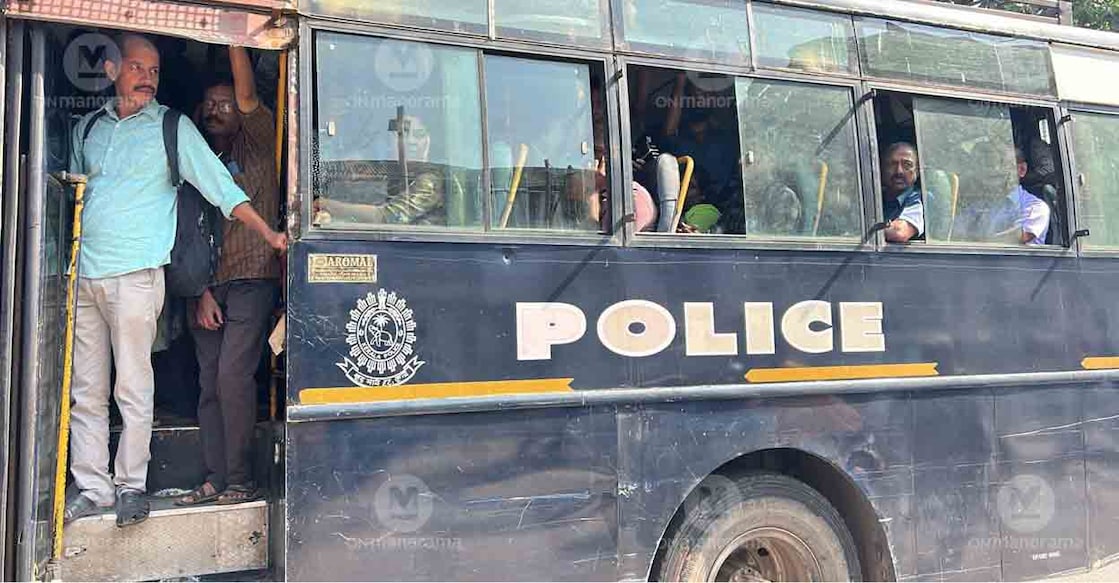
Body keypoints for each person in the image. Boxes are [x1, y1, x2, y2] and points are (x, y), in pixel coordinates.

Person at [64, 34, 286, 527]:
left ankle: (131, 486)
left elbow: (220, 187)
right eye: (138, 68)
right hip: (86, 274)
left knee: (135, 384)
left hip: (139, 275)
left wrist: (268, 232)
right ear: (110, 70)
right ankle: (93, 487)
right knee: (85, 389)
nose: (148, 78)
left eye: (155, 71)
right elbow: (76, 198)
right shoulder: (87, 130)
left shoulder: (171, 128)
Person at [175, 46, 281, 507]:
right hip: (205, 287)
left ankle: (240, 480)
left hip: (253, 277)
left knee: (233, 377)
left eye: (226, 104)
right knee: (209, 382)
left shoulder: (257, 140)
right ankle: (216, 478)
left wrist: (236, 37)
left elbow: (247, 94)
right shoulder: (191, 156)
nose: (218, 110)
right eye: (210, 104)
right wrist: (200, 293)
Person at [314, 114, 444, 226]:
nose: (411, 141)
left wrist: (326, 205)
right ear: (389, 141)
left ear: (428, 140)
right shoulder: (389, 174)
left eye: (419, 135)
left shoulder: (430, 180)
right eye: (402, 134)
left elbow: (388, 217)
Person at [984, 148, 1051, 245]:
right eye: (990, 165)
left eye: (1002, 164)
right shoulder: (983, 205)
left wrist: (972, 240)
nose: (995, 170)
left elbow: (1014, 238)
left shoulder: (1035, 207)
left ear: (1021, 169)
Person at [880, 142, 924, 243]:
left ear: (917, 171)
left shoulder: (921, 198)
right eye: (892, 164)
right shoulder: (874, 196)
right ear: (882, 169)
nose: (899, 171)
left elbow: (899, 232)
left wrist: (862, 231)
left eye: (907, 165)